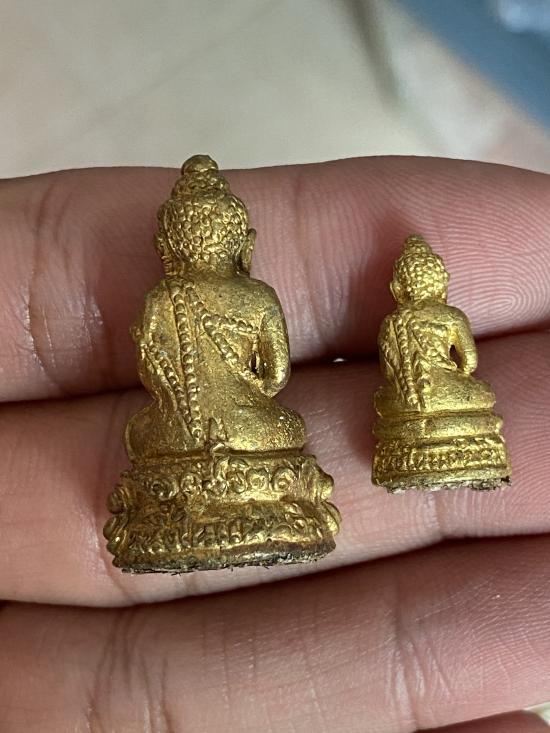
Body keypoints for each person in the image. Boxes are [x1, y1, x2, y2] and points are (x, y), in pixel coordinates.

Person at [0, 156, 549, 732]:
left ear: (172, 244)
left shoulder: (165, 299)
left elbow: (154, 375)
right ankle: (274, 506)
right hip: (252, 426)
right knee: (283, 426)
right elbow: (275, 377)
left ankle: (176, 518)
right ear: (240, 241)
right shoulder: (255, 296)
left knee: (140, 432)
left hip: (175, 436)